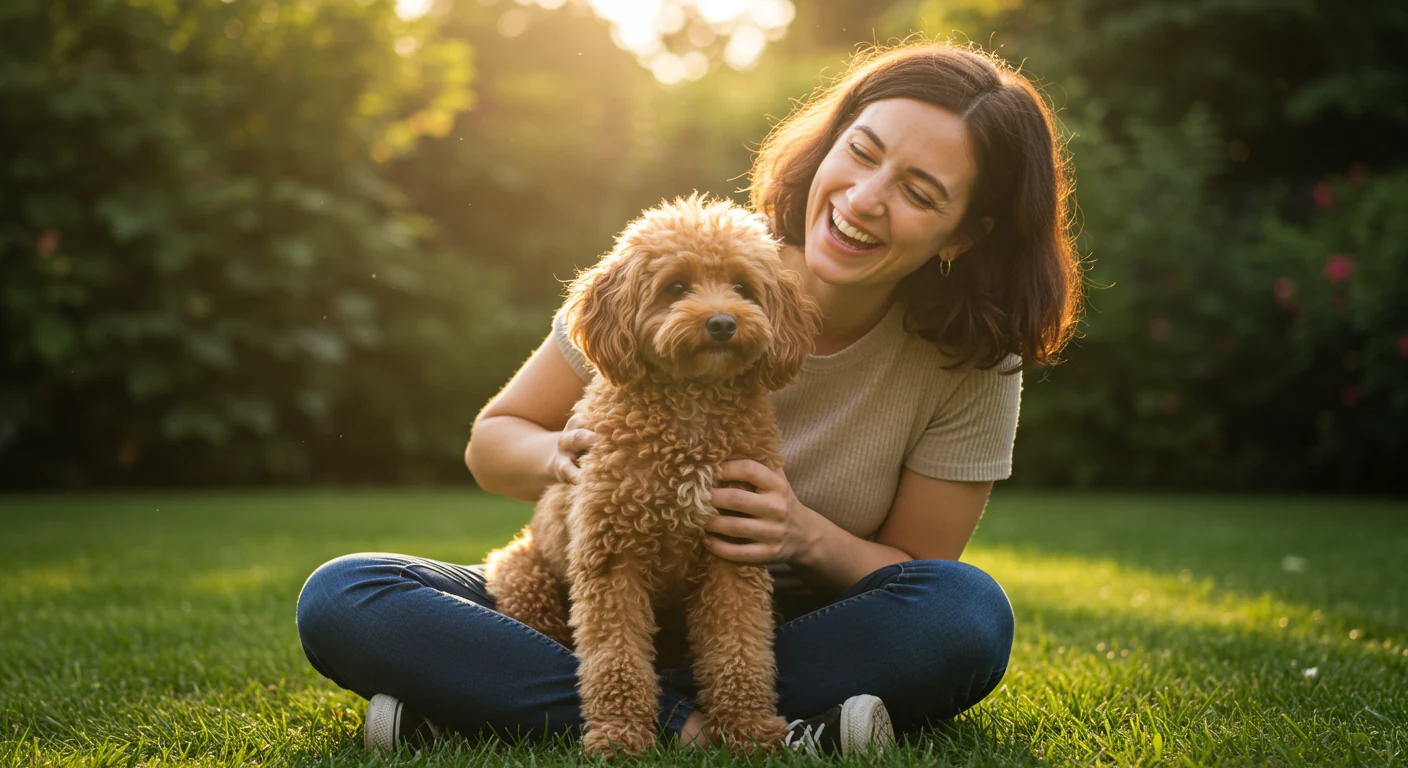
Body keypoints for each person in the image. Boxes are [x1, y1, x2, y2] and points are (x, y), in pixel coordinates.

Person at [296, 40, 1082, 757]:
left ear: (965, 234)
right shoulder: (662, 271)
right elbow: (492, 441)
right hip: (580, 603)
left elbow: (918, 575)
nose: (867, 199)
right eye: (863, 152)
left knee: (966, 614)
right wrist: (560, 455)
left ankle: (487, 704)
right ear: (831, 144)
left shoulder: (973, 360)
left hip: (794, 623)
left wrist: (801, 535)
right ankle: (713, 726)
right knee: (346, 594)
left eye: (918, 190)